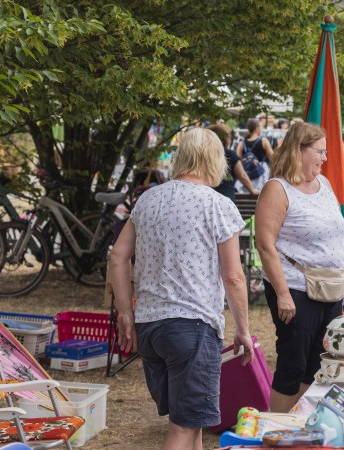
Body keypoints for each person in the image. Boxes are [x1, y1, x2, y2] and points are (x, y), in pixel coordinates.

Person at [110, 127, 254, 450]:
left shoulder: (148, 199)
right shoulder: (218, 205)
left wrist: (125, 314)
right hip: (193, 327)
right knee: (183, 428)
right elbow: (233, 277)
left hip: (151, 327)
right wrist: (243, 329)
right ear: (216, 160)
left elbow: (118, 257)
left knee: (192, 423)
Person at [255, 122, 344, 413]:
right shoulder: (277, 189)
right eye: (320, 151)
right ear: (299, 150)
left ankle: (299, 426)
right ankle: (276, 429)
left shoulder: (324, 184)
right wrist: (283, 294)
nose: (324, 158)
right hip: (295, 287)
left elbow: (340, 233)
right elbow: (265, 244)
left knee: (318, 363)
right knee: (293, 363)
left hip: (330, 285)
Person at [207, 123, 260, 201]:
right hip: (226, 199)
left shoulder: (205, 155)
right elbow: (242, 175)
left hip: (208, 197)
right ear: (225, 139)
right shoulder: (229, 154)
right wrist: (252, 190)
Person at [237, 118, 273, 192]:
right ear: (257, 128)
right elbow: (273, 158)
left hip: (246, 174)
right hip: (261, 172)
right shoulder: (264, 141)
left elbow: (238, 160)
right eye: (261, 127)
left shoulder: (241, 143)